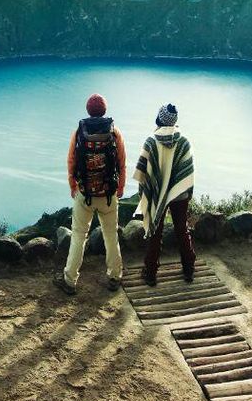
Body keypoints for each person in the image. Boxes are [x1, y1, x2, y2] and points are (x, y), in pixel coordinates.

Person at [53, 93, 127, 295]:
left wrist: (73, 186)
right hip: (108, 194)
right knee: (111, 235)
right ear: (104, 110)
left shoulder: (79, 131)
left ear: (88, 110)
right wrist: (120, 187)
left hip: (84, 193)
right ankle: (114, 276)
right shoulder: (114, 132)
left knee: (78, 236)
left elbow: (71, 162)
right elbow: (121, 163)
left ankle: (70, 280)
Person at [133, 103, 195, 286]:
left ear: (159, 118)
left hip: (156, 193)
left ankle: (151, 273)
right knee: (182, 229)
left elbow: (142, 172)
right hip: (179, 193)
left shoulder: (151, 141)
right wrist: (187, 192)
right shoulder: (184, 141)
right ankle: (189, 269)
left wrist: (144, 192)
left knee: (155, 231)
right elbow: (188, 171)